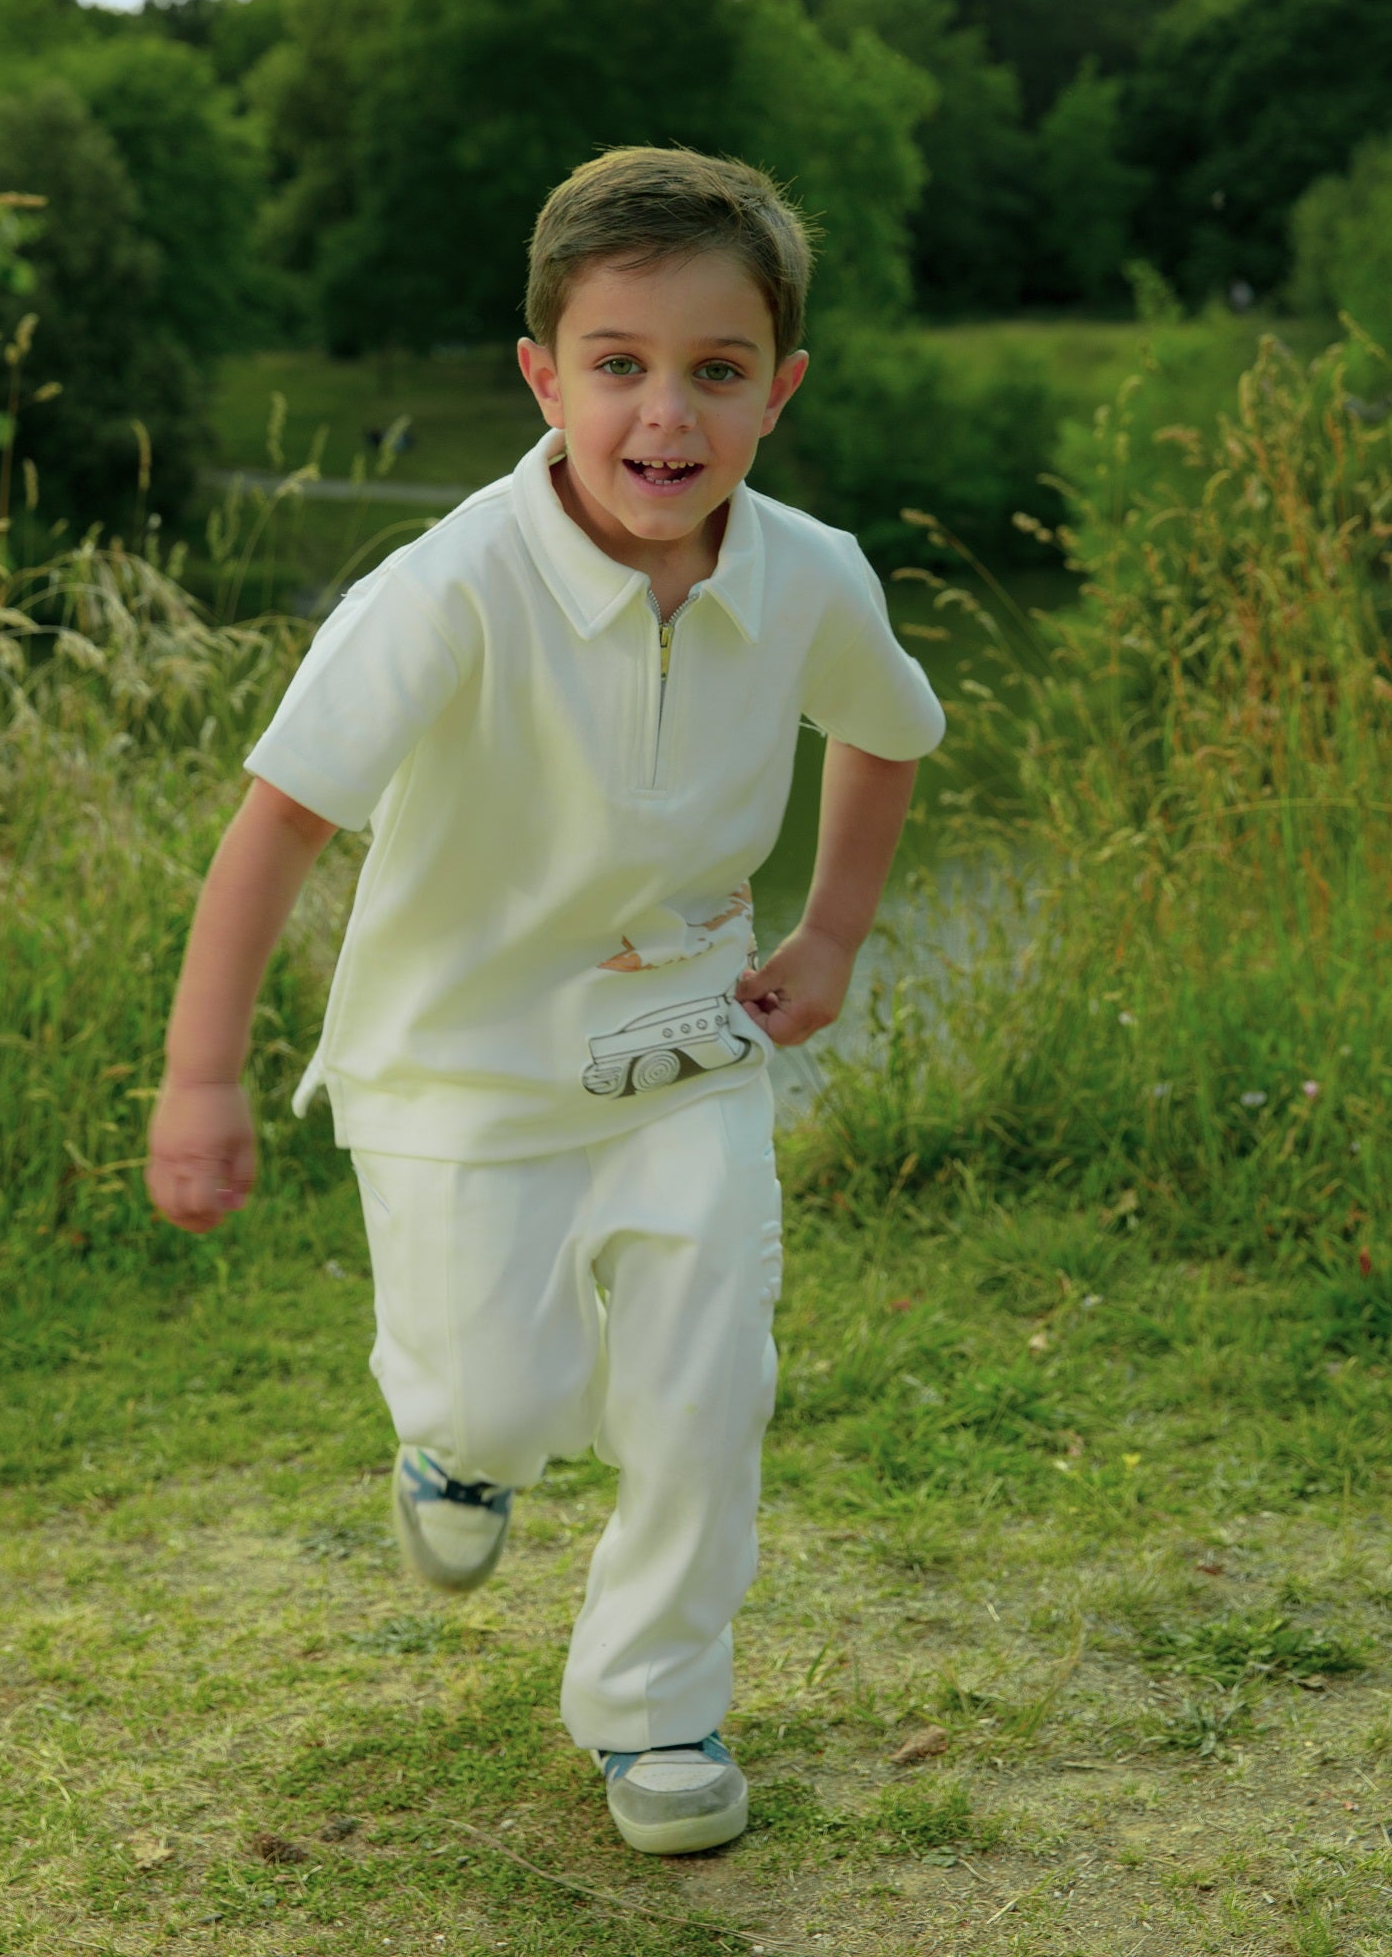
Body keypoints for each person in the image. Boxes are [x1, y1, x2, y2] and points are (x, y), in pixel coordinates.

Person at [146, 147, 944, 1856]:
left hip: (685, 1044)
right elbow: (278, 819)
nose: (668, 414)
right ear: (543, 376)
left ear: (780, 391)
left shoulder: (812, 575)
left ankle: (658, 1711)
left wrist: (831, 936)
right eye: (621, 364)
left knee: (704, 1380)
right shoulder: (446, 587)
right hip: (456, 1067)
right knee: (495, 1395)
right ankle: (456, 1452)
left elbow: (884, 728)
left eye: (717, 371)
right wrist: (200, 1082)